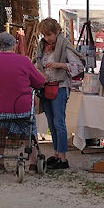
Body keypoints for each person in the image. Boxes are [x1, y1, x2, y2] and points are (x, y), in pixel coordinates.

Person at [0, 31, 45, 169]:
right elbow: (39, 82)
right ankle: (32, 162)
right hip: (20, 109)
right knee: (29, 127)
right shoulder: (24, 61)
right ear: (14, 46)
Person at [33, 18, 84, 170]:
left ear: (57, 32)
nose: (46, 38)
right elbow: (38, 65)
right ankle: (55, 154)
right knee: (51, 124)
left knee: (59, 122)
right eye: (44, 35)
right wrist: (41, 74)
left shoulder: (65, 45)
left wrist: (58, 65)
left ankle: (63, 158)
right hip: (45, 87)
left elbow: (79, 66)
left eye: (49, 34)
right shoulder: (42, 46)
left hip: (60, 87)